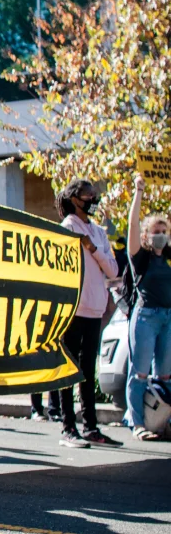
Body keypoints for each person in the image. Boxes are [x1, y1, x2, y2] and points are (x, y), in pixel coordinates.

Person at [54, 179, 122, 448]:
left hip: (95, 308)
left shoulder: (97, 232)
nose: (92, 200)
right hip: (74, 308)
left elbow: (114, 271)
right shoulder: (68, 227)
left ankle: (91, 426)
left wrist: (93, 250)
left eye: (94, 196)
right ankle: (68, 427)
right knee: (69, 368)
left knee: (87, 370)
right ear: (74, 199)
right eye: (87, 196)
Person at [124, 175, 171, 442]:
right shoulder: (140, 258)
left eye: (164, 231)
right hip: (145, 318)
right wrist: (139, 191)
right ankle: (137, 423)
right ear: (146, 235)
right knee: (139, 373)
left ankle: (163, 421)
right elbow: (132, 224)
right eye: (156, 231)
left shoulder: (169, 257)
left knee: (165, 375)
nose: (161, 236)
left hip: (168, 318)